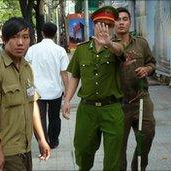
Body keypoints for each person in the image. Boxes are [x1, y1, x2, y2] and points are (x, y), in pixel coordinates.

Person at [0, 17, 50, 171]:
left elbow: (32, 105)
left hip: (25, 147)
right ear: (4, 40)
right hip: (7, 151)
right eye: (14, 37)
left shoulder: (27, 68)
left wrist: (41, 139)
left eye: (25, 37)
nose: (20, 42)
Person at [62, 6, 125, 170]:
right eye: (101, 24)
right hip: (87, 110)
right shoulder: (82, 49)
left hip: (111, 109)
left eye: (109, 25)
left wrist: (109, 43)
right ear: (94, 25)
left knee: (113, 158)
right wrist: (67, 100)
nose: (105, 29)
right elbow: (75, 76)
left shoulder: (116, 47)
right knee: (83, 151)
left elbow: (119, 52)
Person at [114, 7, 156, 171]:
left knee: (147, 135)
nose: (121, 22)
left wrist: (147, 69)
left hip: (141, 99)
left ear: (130, 22)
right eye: (118, 19)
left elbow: (152, 63)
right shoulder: (107, 46)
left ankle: (137, 167)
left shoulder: (141, 43)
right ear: (113, 23)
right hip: (118, 103)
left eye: (125, 19)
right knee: (118, 147)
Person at [26, 22, 69, 149]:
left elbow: (26, 70)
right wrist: (67, 91)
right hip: (55, 91)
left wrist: (28, 90)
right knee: (54, 117)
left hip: (37, 91)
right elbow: (64, 73)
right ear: (55, 34)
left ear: (42, 33)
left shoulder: (32, 49)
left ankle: (42, 142)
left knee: (39, 118)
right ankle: (54, 141)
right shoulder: (60, 51)